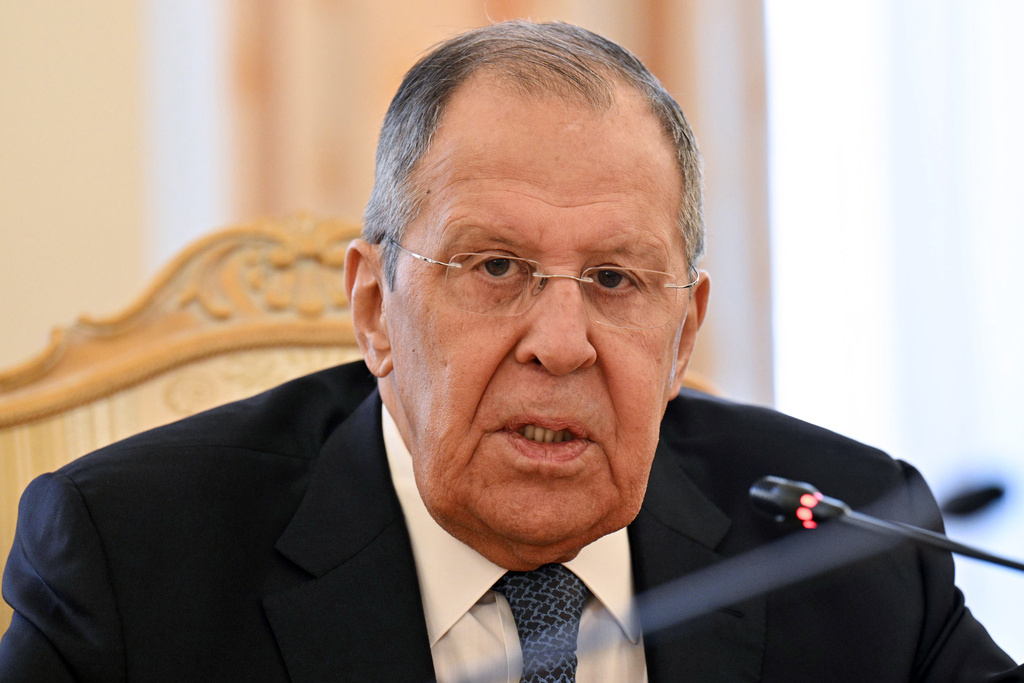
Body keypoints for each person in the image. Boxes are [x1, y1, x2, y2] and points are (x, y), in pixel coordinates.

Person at [0, 20, 1020, 683]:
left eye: (616, 280)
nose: (561, 343)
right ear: (372, 306)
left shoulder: (848, 546)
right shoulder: (136, 563)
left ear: (683, 336)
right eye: (495, 267)